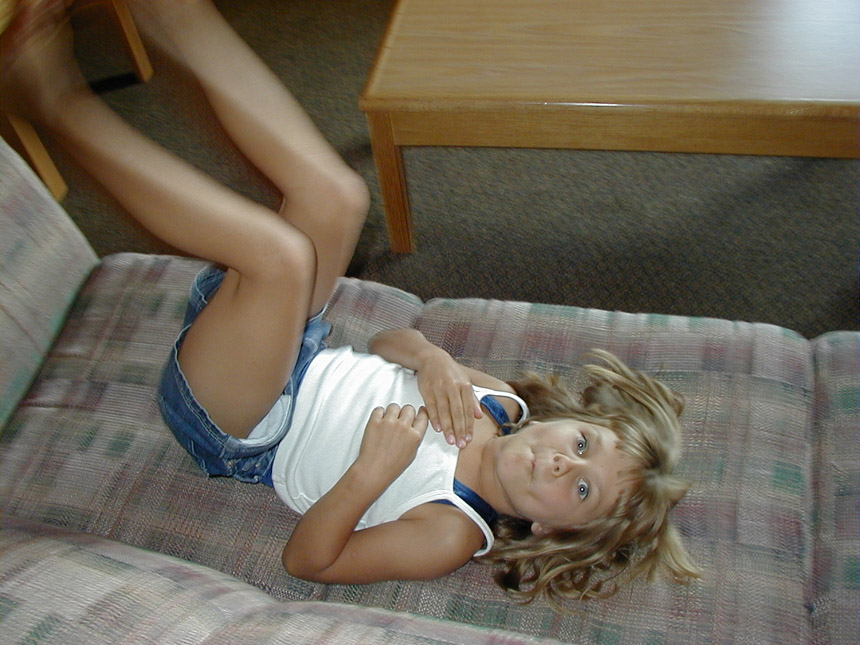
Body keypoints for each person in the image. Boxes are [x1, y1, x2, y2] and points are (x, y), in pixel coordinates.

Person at [1, 0, 701, 604]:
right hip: (290, 347)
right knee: (338, 196)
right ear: (571, 421)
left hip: (243, 422)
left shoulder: (450, 530)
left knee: (280, 255)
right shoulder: (502, 408)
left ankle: (52, 101)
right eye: (581, 444)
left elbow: (309, 561)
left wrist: (372, 472)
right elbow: (385, 344)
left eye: (580, 490)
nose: (561, 463)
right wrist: (431, 360)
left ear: (552, 530)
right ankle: (173, 12)